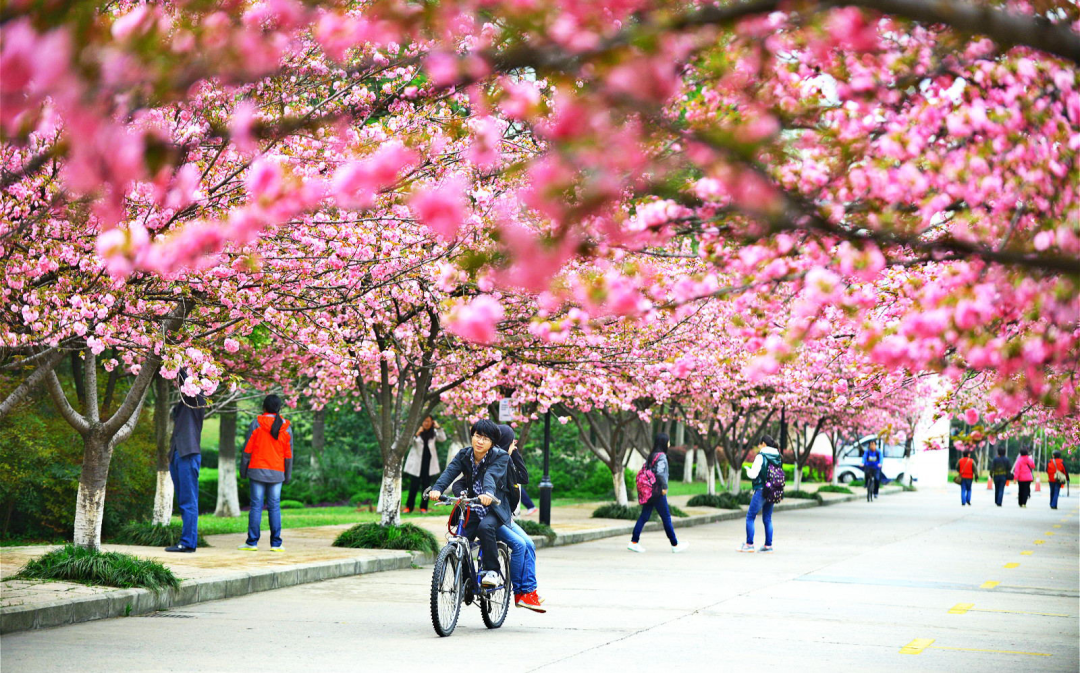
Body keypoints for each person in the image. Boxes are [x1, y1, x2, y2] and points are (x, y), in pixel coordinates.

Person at [428, 419, 511, 588]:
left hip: (494, 507)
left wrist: (488, 493)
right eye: (477, 436)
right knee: (461, 539)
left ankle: (492, 571)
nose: (480, 441)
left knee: (485, 528)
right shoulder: (464, 454)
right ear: (472, 436)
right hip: (473, 505)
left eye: (485, 439)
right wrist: (437, 489)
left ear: (492, 443)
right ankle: (467, 582)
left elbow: (491, 475)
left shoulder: (500, 456)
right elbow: (450, 472)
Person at [495, 424, 545, 612]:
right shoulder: (496, 462)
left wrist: (513, 452)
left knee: (529, 544)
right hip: (496, 517)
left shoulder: (506, 459)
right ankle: (520, 593)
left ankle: (529, 592)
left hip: (506, 517)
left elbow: (523, 477)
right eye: (512, 440)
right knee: (520, 545)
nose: (515, 443)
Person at [237, 395, 293, 551]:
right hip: (277, 472)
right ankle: (276, 544)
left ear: (264, 407)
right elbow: (288, 456)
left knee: (256, 506)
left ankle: (252, 542)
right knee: (274, 507)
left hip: (256, 471)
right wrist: (287, 476)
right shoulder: (286, 427)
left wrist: (243, 471)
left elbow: (247, 451)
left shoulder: (256, 423)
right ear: (279, 408)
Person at [166, 370, 206, 553]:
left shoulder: (196, 399)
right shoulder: (184, 400)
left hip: (188, 454)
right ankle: (186, 540)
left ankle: (188, 542)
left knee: (188, 501)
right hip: (178, 453)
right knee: (184, 500)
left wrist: (179, 357)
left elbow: (184, 377)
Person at [628, 433, 684, 553]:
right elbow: (659, 473)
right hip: (657, 491)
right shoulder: (662, 456)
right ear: (664, 442)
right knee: (666, 517)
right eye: (668, 441)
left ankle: (634, 542)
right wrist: (664, 487)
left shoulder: (652, 455)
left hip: (649, 491)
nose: (669, 443)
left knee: (644, 516)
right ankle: (675, 544)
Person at [740, 434, 781, 553]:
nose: (758, 446)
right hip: (773, 490)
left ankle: (749, 544)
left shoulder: (761, 456)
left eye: (759, 444)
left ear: (763, 443)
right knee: (767, 518)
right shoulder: (778, 455)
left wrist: (748, 470)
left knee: (750, 517)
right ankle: (768, 546)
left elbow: (753, 474)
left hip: (762, 489)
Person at [404, 415, 445, 513]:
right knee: (413, 487)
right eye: (424, 421)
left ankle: (424, 508)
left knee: (426, 488)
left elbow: (443, 438)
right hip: (416, 465)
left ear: (432, 422)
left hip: (428, 464)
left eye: (429, 421)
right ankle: (409, 507)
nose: (426, 423)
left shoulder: (434, 433)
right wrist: (416, 433)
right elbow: (408, 443)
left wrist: (438, 427)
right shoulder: (416, 432)